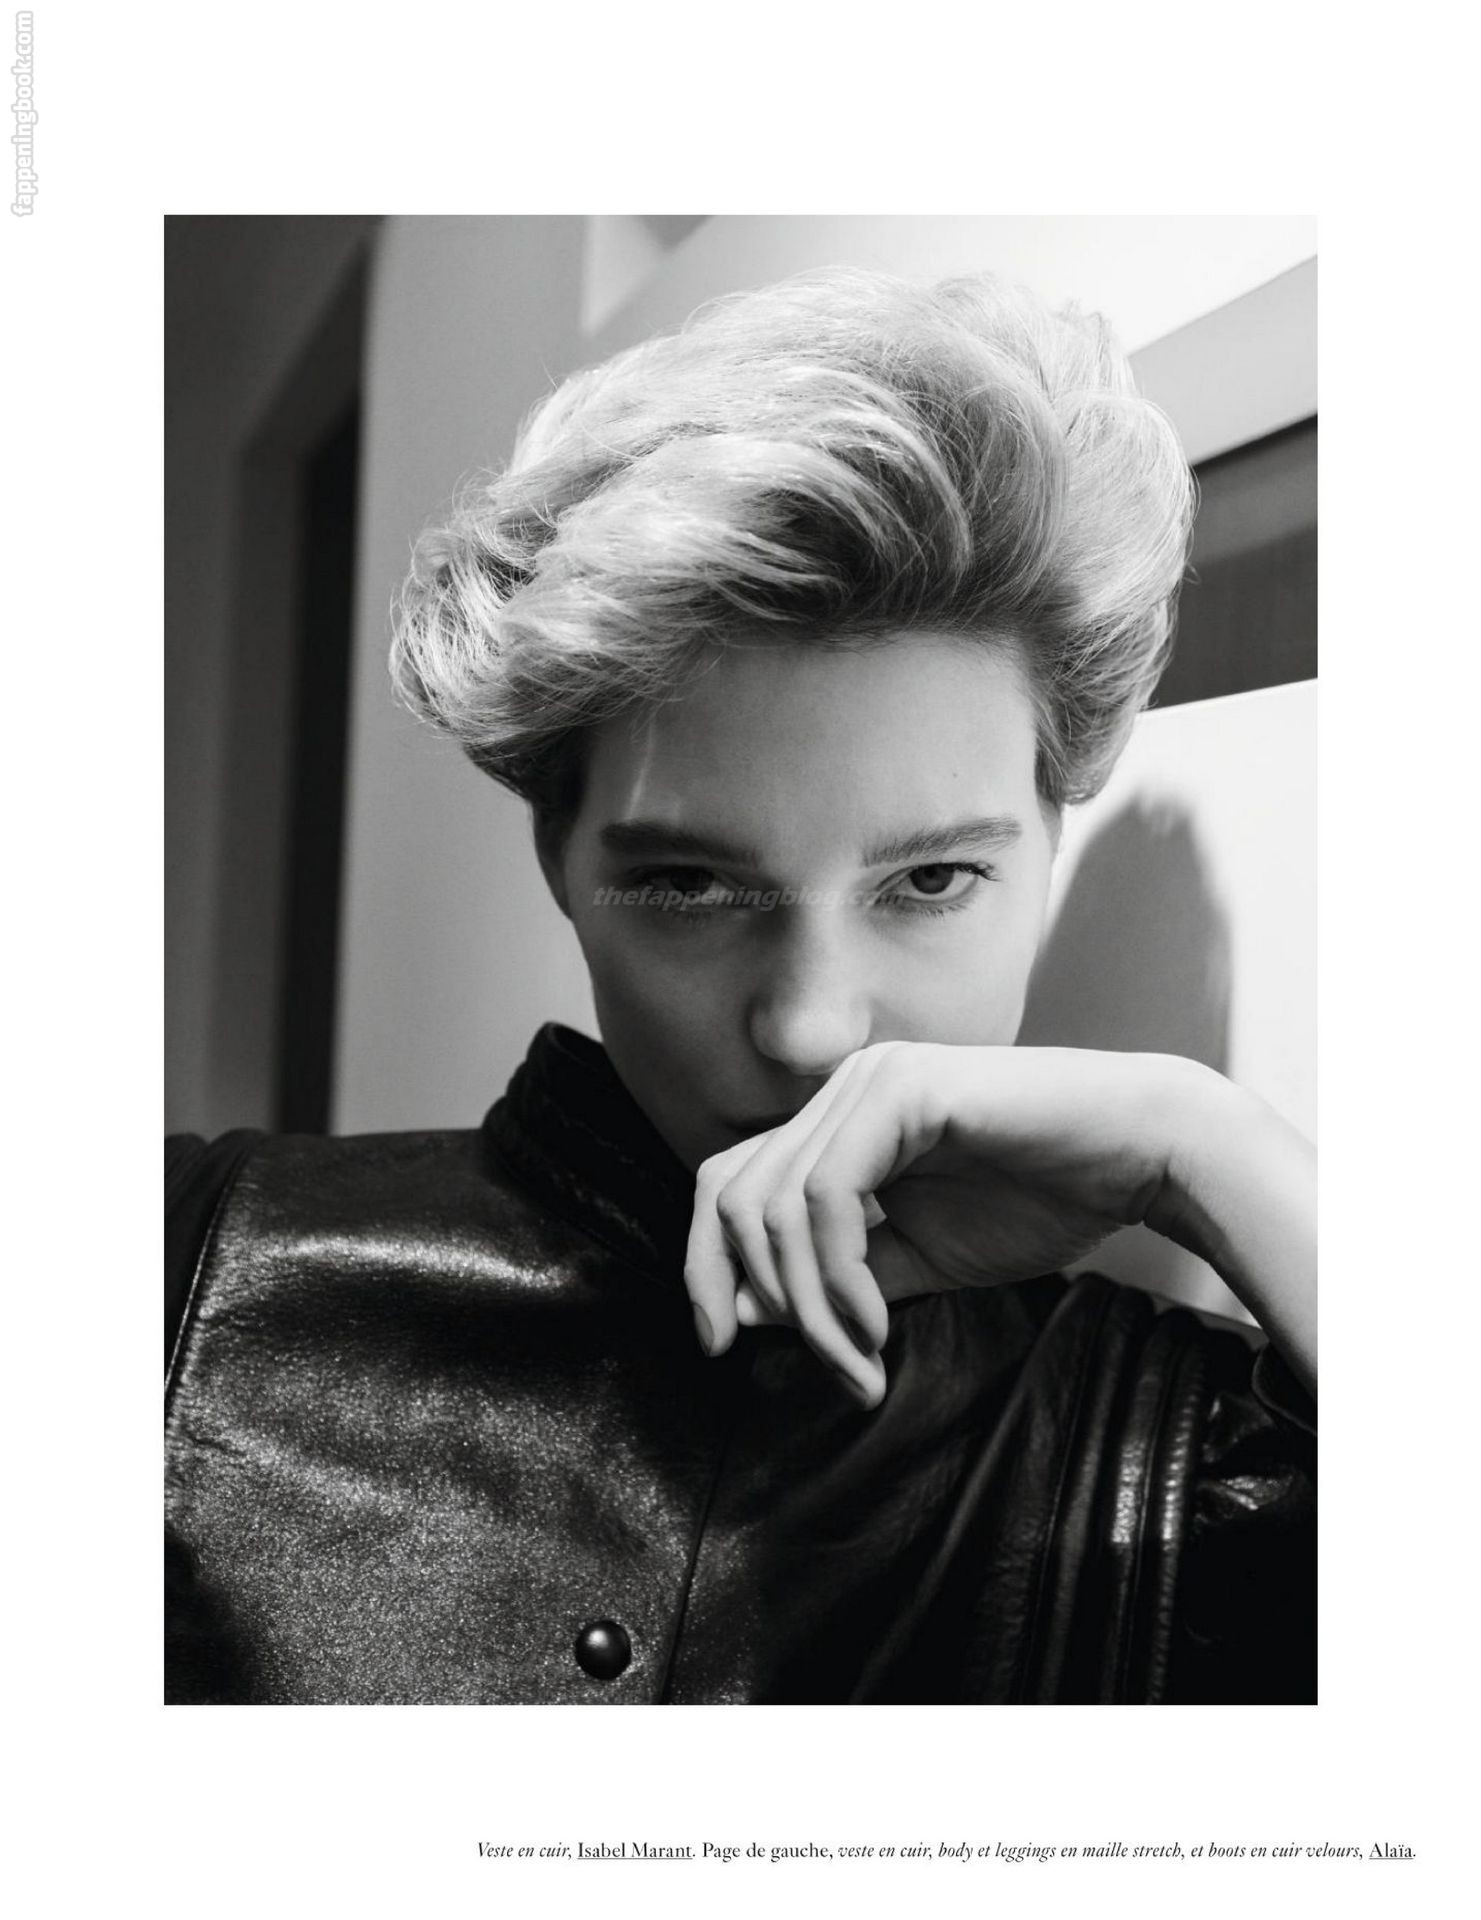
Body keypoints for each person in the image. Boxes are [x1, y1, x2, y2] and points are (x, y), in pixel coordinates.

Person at [165, 267, 1315, 1705]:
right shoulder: (183, 1273)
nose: (812, 1028)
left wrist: (1201, 1147)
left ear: (1048, 842)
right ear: (560, 855)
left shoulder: (1191, 1449)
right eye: (690, 888)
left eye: (932, 881)